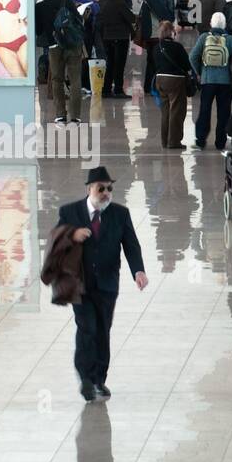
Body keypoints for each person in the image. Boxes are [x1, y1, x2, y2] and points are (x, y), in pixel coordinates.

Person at [52, 166, 148, 401]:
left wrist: (138, 271)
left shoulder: (120, 214)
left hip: (107, 284)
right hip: (79, 283)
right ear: (89, 189)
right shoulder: (70, 212)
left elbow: (131, 245)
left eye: (109, 188)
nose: (106, 192)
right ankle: (85, 378)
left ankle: (99, 380)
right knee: (87, 328)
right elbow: (55, 238)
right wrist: (72, 236)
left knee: (103, 331)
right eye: (101, 188)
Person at [190, 12, 232, 151]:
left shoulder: (204, 37)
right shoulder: (230, 40)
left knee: (204, 110)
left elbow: (192, 57)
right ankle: (220, 142)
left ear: (211, 24)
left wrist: (199, 72)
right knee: (223, 112)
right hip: (225, 82)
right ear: (225, 25)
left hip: (207, 80)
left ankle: (200, 141)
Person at [153, 20, 193, 149]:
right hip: (175, 80)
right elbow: (187, 65)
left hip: (160, 80)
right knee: (176, 111)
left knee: (165, 112)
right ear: (171, 32)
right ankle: (174, 142)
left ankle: (164, 141)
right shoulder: (177, 47)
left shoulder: (156, 47)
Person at [138, 0, 176, 96]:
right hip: (154, 31)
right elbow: (161, 10)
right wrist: (170, 17)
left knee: (152, 59)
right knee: (154, 60)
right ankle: (152, 86)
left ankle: (150, 86)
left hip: (153, 30)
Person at [98, 0, 136, 98]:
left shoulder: (105, 3)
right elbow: (131, 18)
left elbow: (100, 20)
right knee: (119, 65)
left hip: (107, 37)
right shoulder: (120, 3)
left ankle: (106, 89)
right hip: (120, 37)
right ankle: (118, 89)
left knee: (110, 64)